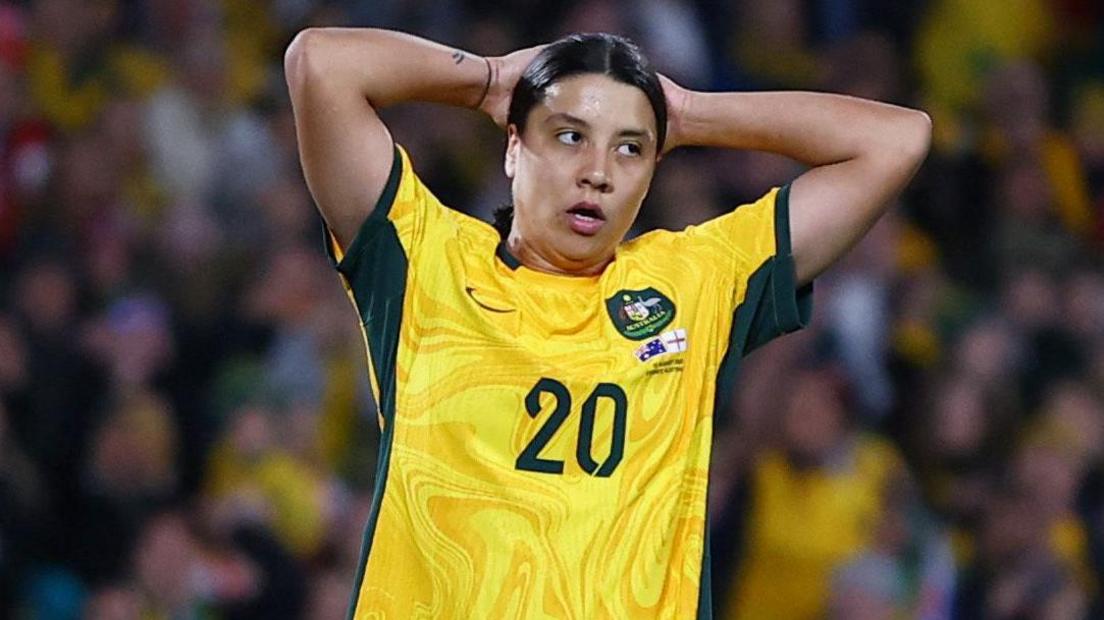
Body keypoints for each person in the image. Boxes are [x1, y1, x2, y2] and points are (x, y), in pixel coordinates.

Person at [284, 27, 930, 618]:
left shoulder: (695, 281)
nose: (597, 172)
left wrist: (688, 113)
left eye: (630, 150)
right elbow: (321, 63)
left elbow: (894, 140)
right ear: (514, 147)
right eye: (569, 136)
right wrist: (488, 80)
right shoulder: (425, 261)